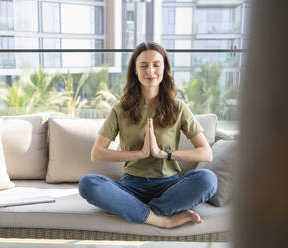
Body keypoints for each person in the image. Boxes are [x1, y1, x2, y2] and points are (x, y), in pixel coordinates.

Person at [78, 41, 217, 228]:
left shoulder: (179, 108)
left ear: (164, 68)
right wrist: (139, 154)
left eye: (156, 65)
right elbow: (97, 153)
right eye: (143, 65)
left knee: (207, 179)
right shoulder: (121, 109)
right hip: (131, 186)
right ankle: (161, 220)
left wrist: (164, 154)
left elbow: (205, 153)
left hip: (169, 186)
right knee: (89, 183)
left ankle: (140, 211)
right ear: (135, 70)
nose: (150, 71)